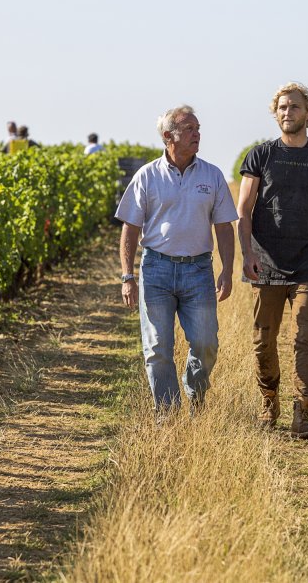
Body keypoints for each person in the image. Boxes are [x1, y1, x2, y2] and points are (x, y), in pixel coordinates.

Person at [236, 82, 308, 439]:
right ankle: (268, 399)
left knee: (305, 337)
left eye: (295, 107)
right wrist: (247, 254)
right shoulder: (261, 155)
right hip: (266, 261)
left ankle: (303, 412)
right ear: (276, 113)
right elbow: (243, 210)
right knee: (263, 341)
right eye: (283, 107)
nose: (288, 113)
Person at [116, 105, 237, 416]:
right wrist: (127, 276)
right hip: (155, 269)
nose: (198, 134)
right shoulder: (147, 175)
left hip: (198, 270)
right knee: (157, 349)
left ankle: (195, 393)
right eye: (190, 129)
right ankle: (167, 414)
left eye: (198, 129)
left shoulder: (212, 175)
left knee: (206, 344)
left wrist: (226, 269)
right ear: (168, 136)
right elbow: (130, 229)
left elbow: (224, 226)